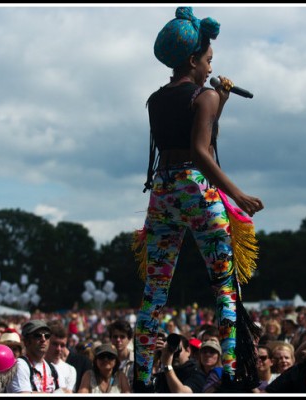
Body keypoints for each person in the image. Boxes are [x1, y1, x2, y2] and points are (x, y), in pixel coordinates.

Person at [131, 6, 264, 393]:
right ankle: (232, 373)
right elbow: (202, 150)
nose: (210, 67)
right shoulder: (202, 95)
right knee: (224, 286)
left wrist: (219, 97)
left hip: (163, 190)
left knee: (155, 291)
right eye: (208, 60)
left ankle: (141, 377)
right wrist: (237, 194)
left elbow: (191, 123)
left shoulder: (156, 99)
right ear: (192, 60)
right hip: (196, 187)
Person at [6, 319, 60, 393]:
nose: (43, 339)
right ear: (26, 341)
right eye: (38, 335)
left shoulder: (52, 368)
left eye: (47, 336)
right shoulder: (19, 365)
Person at [45, 323, 77, 393]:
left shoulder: (71, 370)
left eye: (62, 345)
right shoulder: (37, 367)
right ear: (47, 342)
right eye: (55, 344)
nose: (58, 349)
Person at [107, 319, 134, 389]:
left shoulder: (136, 361)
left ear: (129, 339)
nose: (118, 340)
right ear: (111, 338)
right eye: (115, 337)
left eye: (122, 337)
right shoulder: (104, 360)